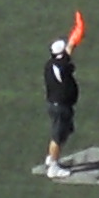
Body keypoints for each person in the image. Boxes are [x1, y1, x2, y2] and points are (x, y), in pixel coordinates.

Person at [41, 30, 81, 180]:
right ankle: (53, 166)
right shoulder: (63, 66)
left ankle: (52, 158)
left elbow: (67, 53)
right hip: (61, 107)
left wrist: (73, 41)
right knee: (57, 137)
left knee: (64, 132)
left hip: (55, 105)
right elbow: (67, 60)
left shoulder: (50, 64)